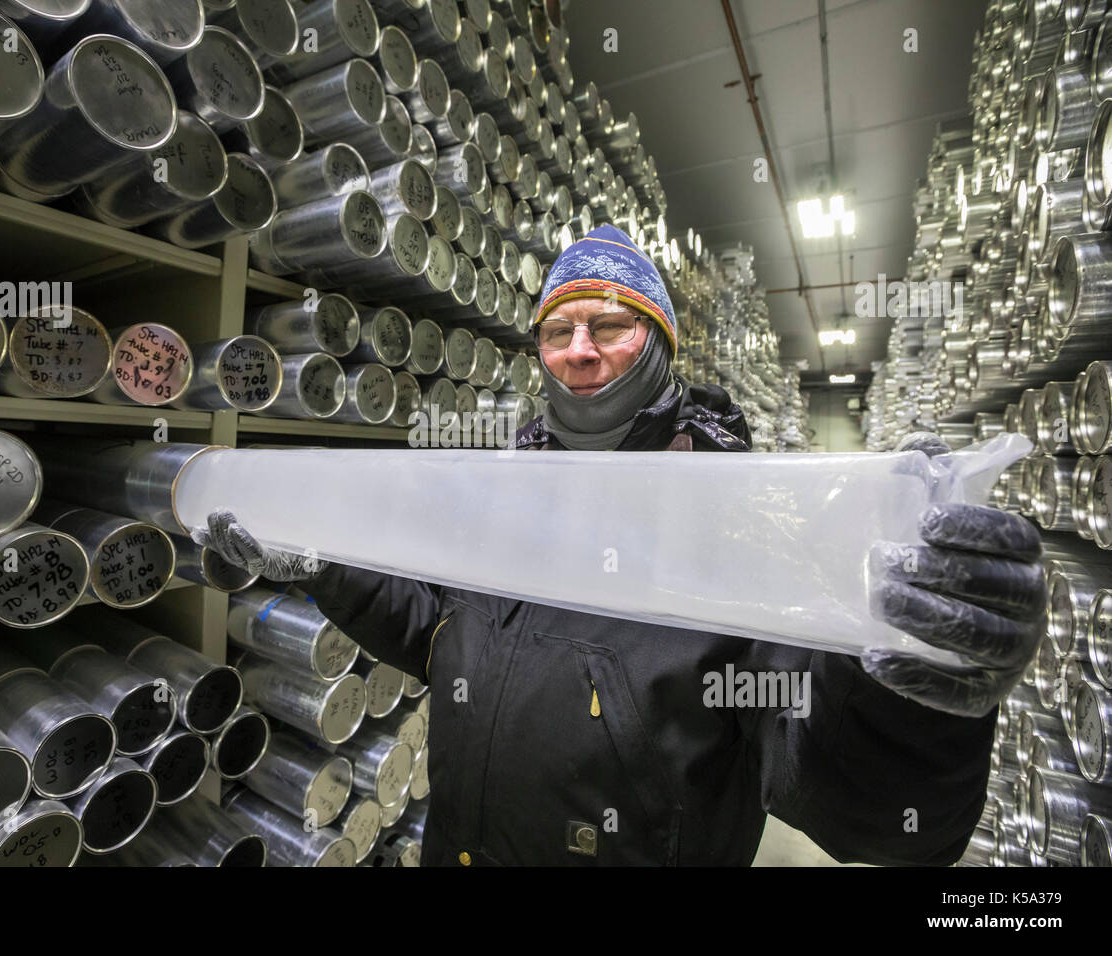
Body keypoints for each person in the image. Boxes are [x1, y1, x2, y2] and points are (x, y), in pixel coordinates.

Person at [197, 225, 1043, 866]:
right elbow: (439, 637)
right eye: (558, 331)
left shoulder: (746, 527)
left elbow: (855, 796)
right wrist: (329, 568)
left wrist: (918, 700)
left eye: (610, 326)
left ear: (663, 343)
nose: (579, 351)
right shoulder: (508, 498)